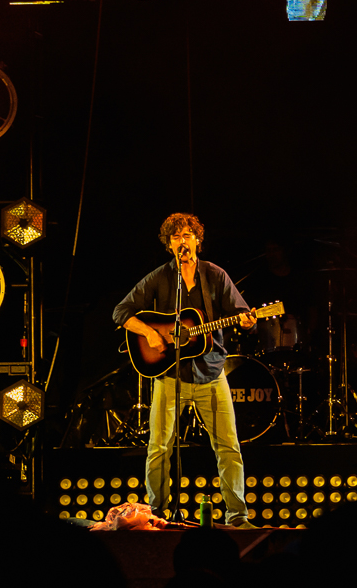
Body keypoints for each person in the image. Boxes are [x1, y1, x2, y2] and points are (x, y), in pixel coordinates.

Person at [112, 213, 257, 526]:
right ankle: (157, 515)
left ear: (198, 241)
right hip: (170, 376)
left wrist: (248, 320)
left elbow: (242, 312)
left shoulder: (215, 275)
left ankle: (237, 515)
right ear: (169, 245)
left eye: (188, 235)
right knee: (158, 448)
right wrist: (150, 332)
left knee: (228, 447)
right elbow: (121, 312)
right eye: (175, 237)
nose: (183, 241)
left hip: (212, 374)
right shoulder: (160, 277)